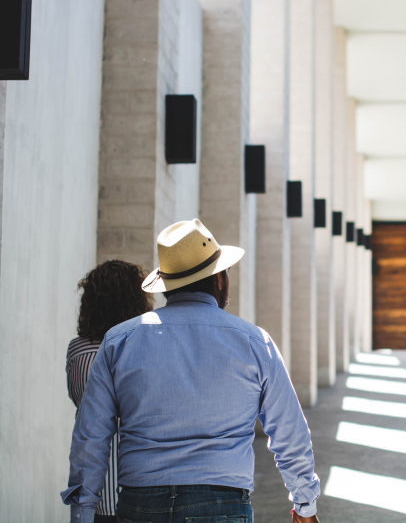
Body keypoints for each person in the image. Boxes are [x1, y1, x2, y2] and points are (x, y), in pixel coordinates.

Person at [62, 218, 321, 523]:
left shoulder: (120, 341)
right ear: (220, 279)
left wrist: (82, 513)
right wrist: (304, 504)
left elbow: (90, 436)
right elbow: (289, 431)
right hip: (223, 503)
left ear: (166, 284)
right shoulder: (254, 342)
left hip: (141, 503)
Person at [66, 260, 153, 523]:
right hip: (140, 488)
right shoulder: (145, 351)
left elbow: (83, 409)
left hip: (96, 492)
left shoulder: (79, 351)